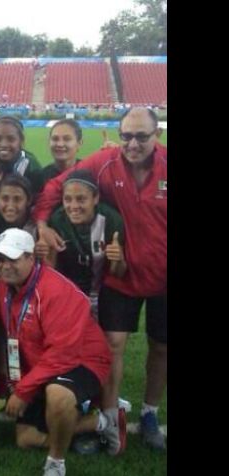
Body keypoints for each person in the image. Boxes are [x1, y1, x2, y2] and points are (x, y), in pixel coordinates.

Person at [33, 107, 167, 452]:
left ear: (158, 135)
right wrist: (44, 225)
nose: (132, 143)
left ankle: (150, 414)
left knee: (161, 347)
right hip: (120, 277)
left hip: (164, 277)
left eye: (141, 136)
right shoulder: (105, 161)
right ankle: (109, 418)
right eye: (126, 136)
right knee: (112, 346)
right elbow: (55, 187)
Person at [0, 228, 111, 476]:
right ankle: (97, 422)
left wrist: (24, 390)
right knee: (25, 438)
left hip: (82, 360)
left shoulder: (55, 291)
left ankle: (56, 464)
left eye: (13, 259)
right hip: (43, 364)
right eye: (0, 259)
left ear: (31, 257)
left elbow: (62, 354)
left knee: (58, 395)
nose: (5, 266)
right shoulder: (3, 287)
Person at [37, 169, 126, 317]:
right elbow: (51, 269)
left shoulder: (111, 220)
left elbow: (118, 273)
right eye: (68, 199)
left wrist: (119, 259)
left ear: (95, 198)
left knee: (113, 340)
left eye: (81, 199)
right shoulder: (57, 220)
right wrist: (44, 253)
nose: (73, 206)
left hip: (103, 292)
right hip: (68, 290)